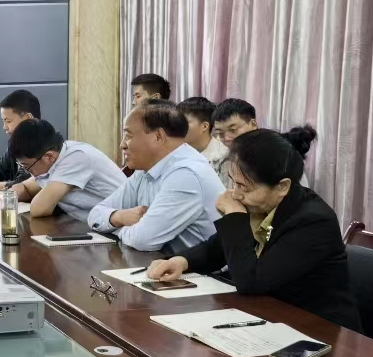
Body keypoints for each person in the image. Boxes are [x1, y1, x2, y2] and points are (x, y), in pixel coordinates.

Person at [145, 127, 361, 331]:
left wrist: (234, 215)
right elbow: (220, 248)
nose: (235, 194)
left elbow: (251, 281)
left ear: (282, 186)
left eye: (244, 187)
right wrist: (183, 261)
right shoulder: (262, 203)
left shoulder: (312, 221)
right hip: (270, 316)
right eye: (234, 183)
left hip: (317, 330)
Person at [88, 101, 223, 252]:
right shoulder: (144, 170)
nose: (122, 145)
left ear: (158, 136)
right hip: (164, 261)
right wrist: (119, 217)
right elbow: (95, 213)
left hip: (199, 267)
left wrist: (118, 229)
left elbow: (143, 240)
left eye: (128, 136)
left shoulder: (186, 174)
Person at [2, 119, 125, 220]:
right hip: (95, 227)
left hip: (119, 228)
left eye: (26, 166)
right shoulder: (57, 155)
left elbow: (39, 209)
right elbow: (26, 188)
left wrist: (10, 198)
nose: (27, 171)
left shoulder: (76, 158)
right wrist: (6, 196)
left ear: (48, 157)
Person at [178, 96, 231, 187]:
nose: (178, 126)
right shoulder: (177, 152)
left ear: (205, 126)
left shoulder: (223, 156)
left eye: (184, 122)